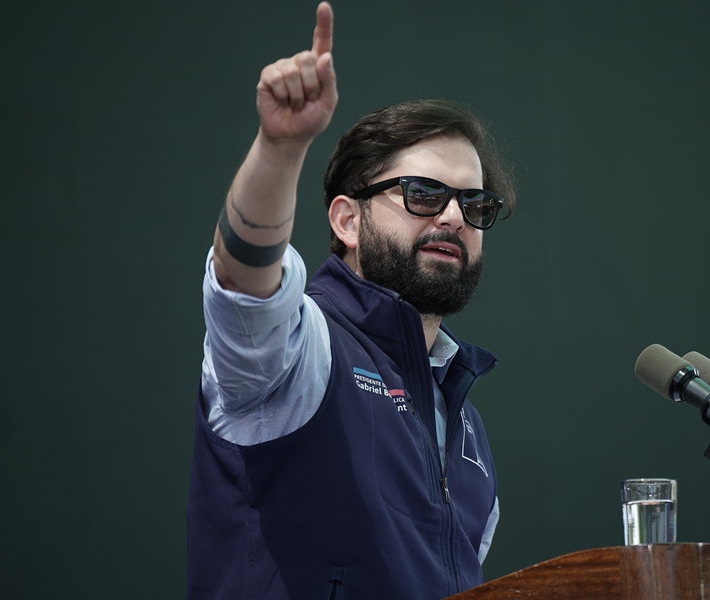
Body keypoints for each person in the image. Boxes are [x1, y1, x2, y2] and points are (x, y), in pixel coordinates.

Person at [185, 3, 516, 599]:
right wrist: (279, 148)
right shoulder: (303, 350)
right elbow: (245, 284)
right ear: (347, 220)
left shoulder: (467, 427)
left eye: (475, 205)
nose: (452, 216)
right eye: (423, 193)